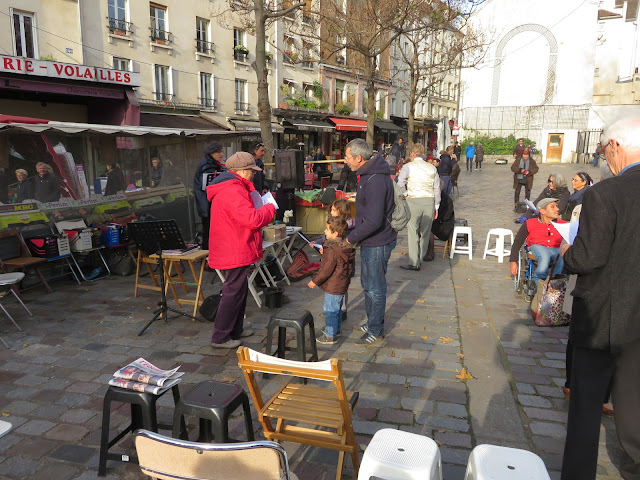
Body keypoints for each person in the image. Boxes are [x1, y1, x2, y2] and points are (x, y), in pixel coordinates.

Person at [560, 116, 640, 480]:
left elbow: (587, 258)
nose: (605, 158)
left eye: (604, 150)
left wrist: (567, 252)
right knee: (634, 405)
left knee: (586, 408)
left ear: (616, 146)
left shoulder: (605, 194)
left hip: (603, 318)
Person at [207, 152, 275, 348]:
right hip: (234, 246)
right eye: (252, 171)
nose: (254, 174)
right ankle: (220, 336)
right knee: (233, 292)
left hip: (234, 244)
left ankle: (235, 330)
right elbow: (252, 219)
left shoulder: (234, 187)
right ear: (242, 171)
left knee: (239, 289)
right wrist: (270, 208)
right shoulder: (233, 190)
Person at [344, 139, 397, 345]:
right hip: (370, 240)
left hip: (378, 242)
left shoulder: (375, 180)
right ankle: (372, 321)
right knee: (367, 284)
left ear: (358, 158)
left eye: (347, 157)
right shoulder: (368, 175)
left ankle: (376, 329)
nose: (345, 161)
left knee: (375, 287)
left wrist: (351, 237)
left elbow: (374, 221)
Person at [307, 216, 356, 345]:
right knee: (336, 309)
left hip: (333, 285)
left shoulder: (332, 250)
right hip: (341, 283)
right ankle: (335, 330)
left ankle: (330, 335)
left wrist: (315, 281)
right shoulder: (343, 248)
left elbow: (326, 270)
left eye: (327, 229)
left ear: (335, 233)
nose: (325, 231)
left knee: (330, 311)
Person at [396, 143, 440, 271]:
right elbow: (436, 188)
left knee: (413, 230)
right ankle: (421, 256)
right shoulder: (432, 168)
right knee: (426, 231)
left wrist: (405, 194)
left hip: (413, 199)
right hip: (428, 200)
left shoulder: (407, 167)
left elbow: (400, 183)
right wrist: (436, 205)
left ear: (412, 154)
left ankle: (414, 261)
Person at [509, 198, 566, 294]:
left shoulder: (563, 224)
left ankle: (555, 283)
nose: (557, 209)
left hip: (556, 248)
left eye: (556, 206)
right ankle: (539, 282)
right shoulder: (530, 223)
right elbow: (517, 242)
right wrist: (513, 261)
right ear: (542, 211)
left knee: (561, 257)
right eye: (553, 207)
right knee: (544, 255)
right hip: (536, 247)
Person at [193, 141, 226, 250]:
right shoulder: (207, 165)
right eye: (219, 152)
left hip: (207, 203)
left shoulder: (212, 163)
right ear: (212, 153)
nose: (221, 154)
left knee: (209, 230)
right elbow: (205, 186)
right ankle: (208, 254)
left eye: (222, 151)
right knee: (209, 230)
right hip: (207, 203)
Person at [424, 185, 455, 261]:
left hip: (444, 225)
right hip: (438, 221)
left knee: (429, 229)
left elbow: (445, 216)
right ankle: (423, 250)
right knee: (422, 227)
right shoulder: (438, 197)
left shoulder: (445, 199)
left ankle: (430, 253)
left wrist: (434, 218)